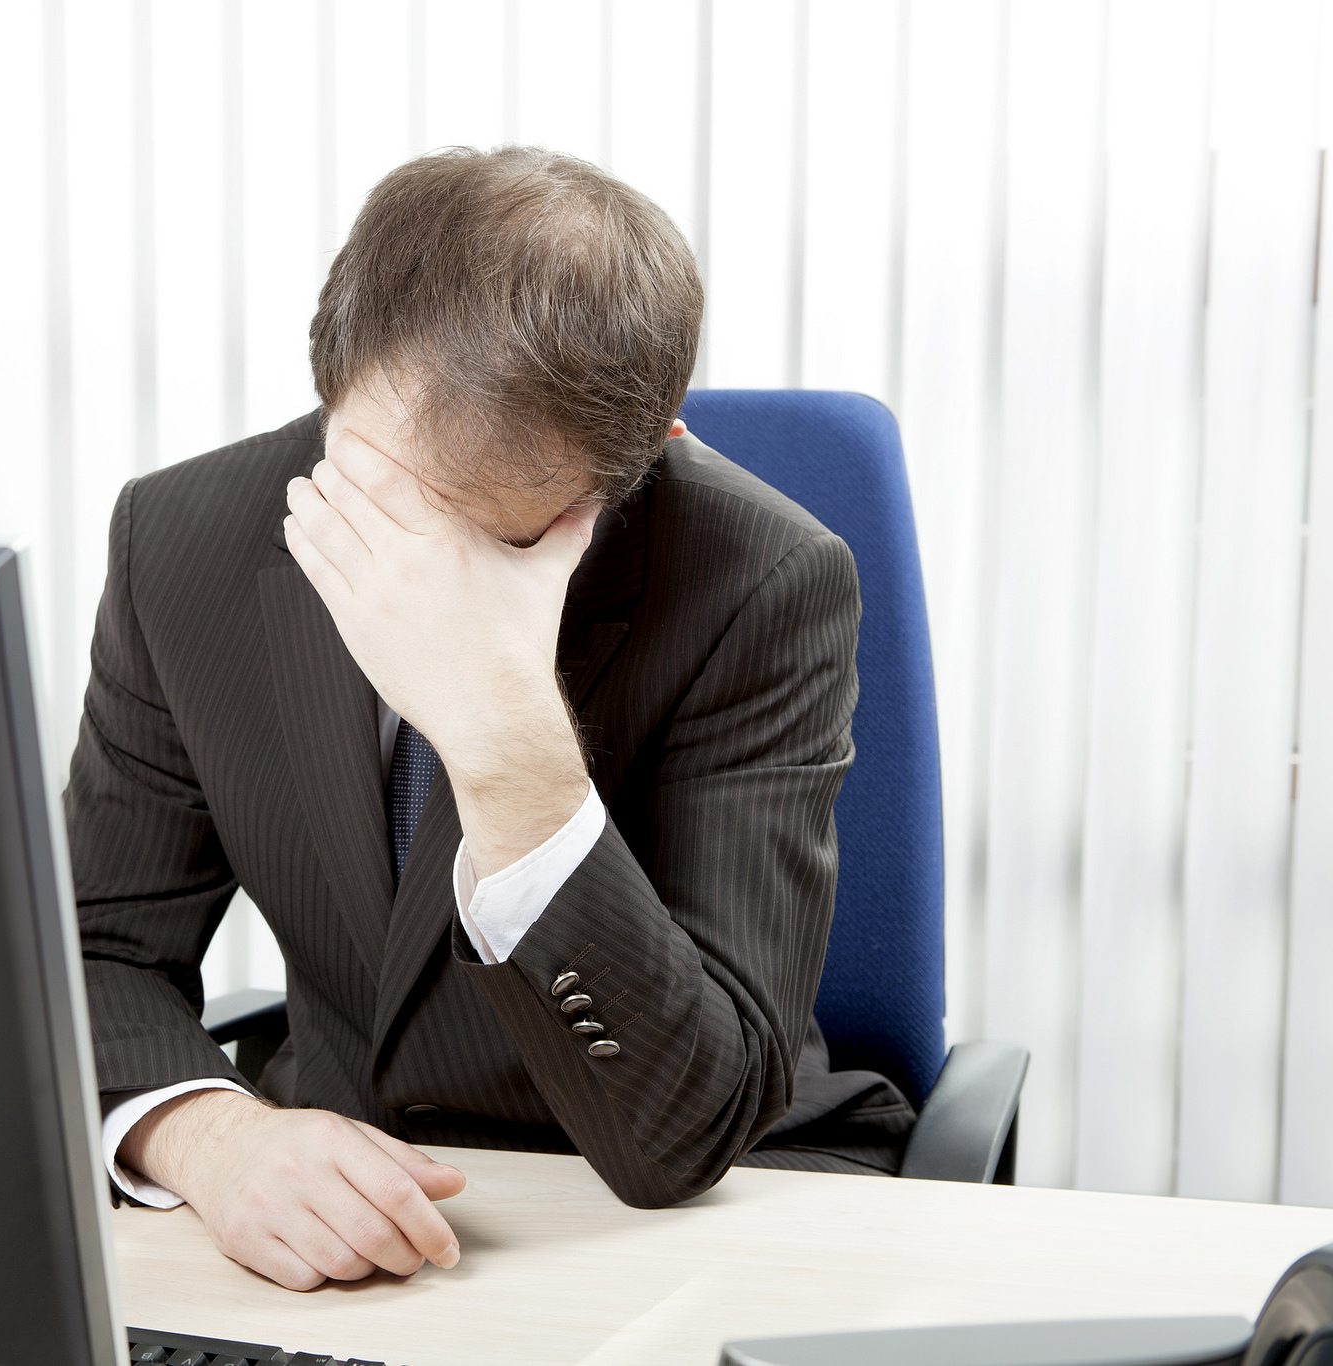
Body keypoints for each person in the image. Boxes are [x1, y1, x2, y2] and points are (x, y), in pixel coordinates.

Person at [64, 146, 912, 1293]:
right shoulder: (182, 539)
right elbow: (94, 947)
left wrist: (509, 746)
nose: (412, 570)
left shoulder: (761, 578)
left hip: (694, 1199)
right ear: (333, 372)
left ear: (640, 462)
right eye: (377, 491)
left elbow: (681, 1131)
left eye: (489, 537)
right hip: (354, 1199)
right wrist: (213, 1138)